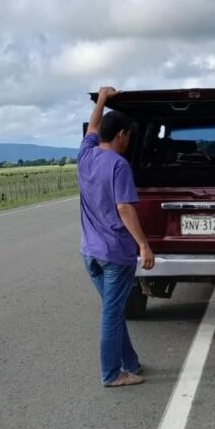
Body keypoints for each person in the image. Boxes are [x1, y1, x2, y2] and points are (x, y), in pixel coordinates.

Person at [78, 87, 155, 387]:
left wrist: (102, 100)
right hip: (115, 255)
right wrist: (144, 245)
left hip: (90, 254)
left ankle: (130, 363)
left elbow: (93, 126)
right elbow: (124, 208)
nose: (129, 141)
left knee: (114, 310)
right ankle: (111, 374)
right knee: (112, 316)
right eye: (129, 136)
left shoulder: (85, 155)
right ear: (122, 134)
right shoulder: (120, 165)